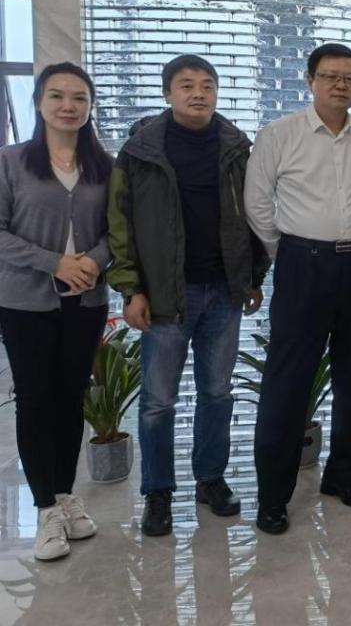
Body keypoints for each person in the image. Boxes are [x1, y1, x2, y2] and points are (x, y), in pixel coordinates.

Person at [107, 54, 268, 537]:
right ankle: (158, 492)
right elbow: (120, 225)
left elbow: (256, 214)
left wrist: (253, 276)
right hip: (163, 295)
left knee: (217, 393)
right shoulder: (140, 151)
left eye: (207, 85)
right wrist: (131, 289)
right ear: (168, 93)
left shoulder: (237, 148)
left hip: (223, 291)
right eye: (186, 85)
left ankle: (210, 478)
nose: (198, 93)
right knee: (158, 401)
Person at [245, 43, 351, 534]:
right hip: (302, 264)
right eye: (330, 76)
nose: (340, 85)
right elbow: (257, 203)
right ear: (310, 80)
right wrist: (290, 249)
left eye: (349, 78)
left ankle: (343, 476)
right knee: (288, 381)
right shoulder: (279, 134)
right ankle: (273, 496)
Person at [0, 63, 112, 561]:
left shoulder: (104, 167)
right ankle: (45, 507)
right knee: (34, 400)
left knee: (71, 398)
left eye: (79, 97)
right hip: (26, 302)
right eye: (57, 96)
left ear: (90, 107)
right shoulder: (11, 162)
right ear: (40, 103)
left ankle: (66, 495)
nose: (68, 105)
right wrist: (55, 263)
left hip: (85, 302)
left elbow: (118, 230)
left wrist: (93, 261)